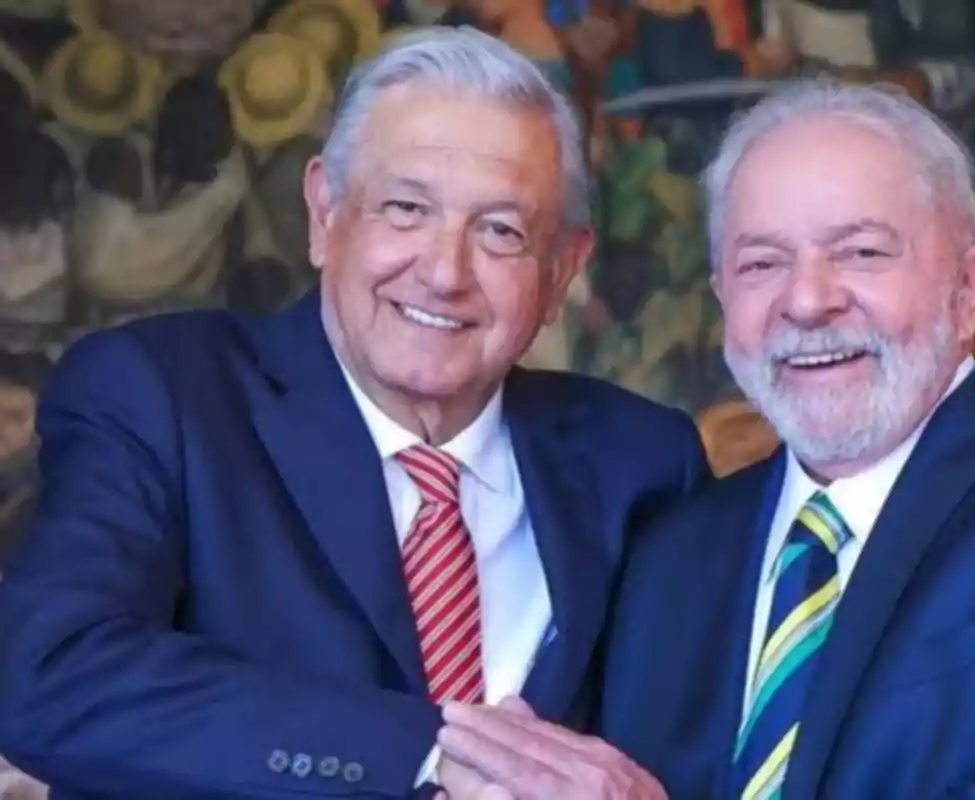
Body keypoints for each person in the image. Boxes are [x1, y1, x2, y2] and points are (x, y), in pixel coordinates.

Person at [431, 80, 975, 798]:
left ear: (969, 289)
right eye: (762, 262)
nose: (806, 300)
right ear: (722, 299)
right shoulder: (672, 552)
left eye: (861, 252)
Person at [0, 27, 711, 799]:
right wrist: (433, 751)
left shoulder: (643, 462)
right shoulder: (159, 397)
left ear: (561, 268)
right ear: (323, 214)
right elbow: (51, 673)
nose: (444, 272)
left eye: (500, 231)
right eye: (406, 209)